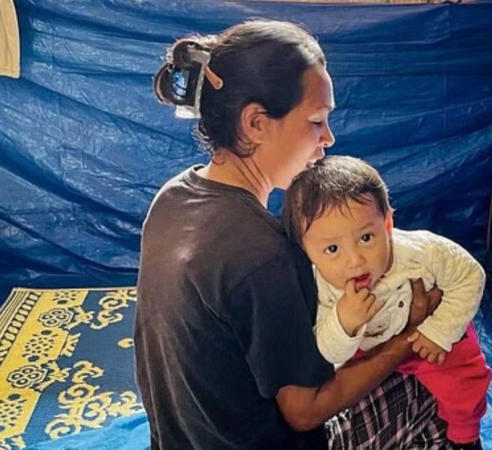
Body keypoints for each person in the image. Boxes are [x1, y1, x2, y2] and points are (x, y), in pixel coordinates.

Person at [134, 20, 446, 449]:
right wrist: (411, 335)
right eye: (316, 121)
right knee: (427, 393)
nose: (328, 139)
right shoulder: (263, 255)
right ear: (256, 123)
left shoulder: (172, 198)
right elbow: (305, 413)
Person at [282, 156, 492, 449]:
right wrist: (344, 323)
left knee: (466, 379)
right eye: (332, 249)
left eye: (366, 237)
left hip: (428, 334)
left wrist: (438, 332)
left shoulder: (421, 252)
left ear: (388, 224)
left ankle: (465, 438)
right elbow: (330, 353)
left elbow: (470, 276)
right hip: (369, 353)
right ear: (307, 253)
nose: (355, 260)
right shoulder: (322, 287)